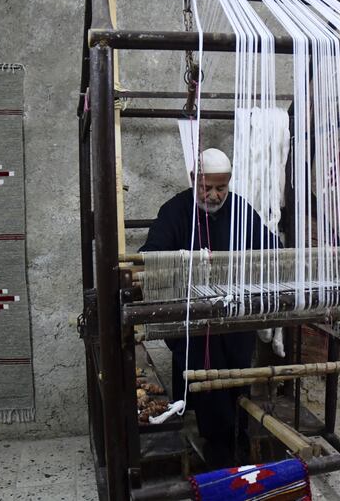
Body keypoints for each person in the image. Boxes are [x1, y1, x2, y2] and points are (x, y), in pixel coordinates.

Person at [139, 148, 276, 467]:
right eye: (206, 187)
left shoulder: (240, 210)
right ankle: (220, 452)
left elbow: (272, 250)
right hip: (192, 321)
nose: (214, 195)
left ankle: (236, 439)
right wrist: (186, 269)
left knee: (235, 378)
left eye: (221, 188)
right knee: (204, 380)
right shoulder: (175, 211)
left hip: (234, 317)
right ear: (193, 180)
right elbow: (151, 256)